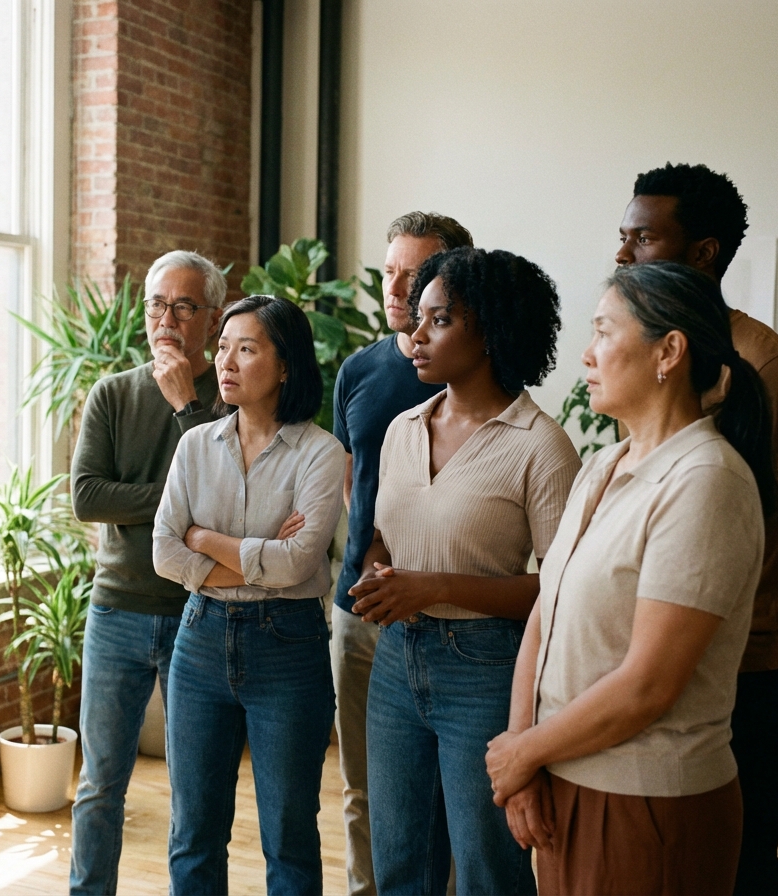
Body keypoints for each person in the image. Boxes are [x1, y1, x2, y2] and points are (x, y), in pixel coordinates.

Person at [486, 262, 775, 895]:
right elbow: (546, 611)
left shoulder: (706, 480)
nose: (586, 355)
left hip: (647, 801)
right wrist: (523, 750)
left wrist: (526, 752)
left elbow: (648, 684)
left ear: (669, 351)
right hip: (566, 783)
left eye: (602, 333)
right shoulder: (602, 465)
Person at [614, 163, 778, 895]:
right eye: (622, 237)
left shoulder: (771, 371)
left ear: (704, 252)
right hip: (646, 659)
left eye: (643, 238)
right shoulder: (639, 355)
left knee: (738, 865)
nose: (622, 256)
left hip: (747, 671)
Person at [352, 247, 580, 895]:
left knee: (487, 872)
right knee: (398, 865)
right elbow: (380, 536)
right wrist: (377, 569)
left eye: (440, 320)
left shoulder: (540, 445)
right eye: (417, 319)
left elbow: (560, 595)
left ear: (490, 331)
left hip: (485, 671)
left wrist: (438, 587)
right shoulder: (402, 428)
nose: (415, 337)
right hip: (396, 660)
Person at [153, 295, 345, 895]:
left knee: (288, 837)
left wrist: (206, 538)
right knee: (193, 835)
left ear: (285, 364)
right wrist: (259, 553)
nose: (225, 361)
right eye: (223, 346)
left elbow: (298, 566)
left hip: (289, 648)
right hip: (200, 640)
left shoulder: (321, 453)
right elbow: (164, 552)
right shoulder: (194, 446)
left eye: (247, 347)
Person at [69, 251, 226, 895]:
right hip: (116, 611)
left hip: (200, 612)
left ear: (214, 321)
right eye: (156, 305)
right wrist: (173, 503)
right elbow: (86, 496)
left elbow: (226, 501)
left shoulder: (231, 398)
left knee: (195, 792)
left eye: (184, 307)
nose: (166, 320)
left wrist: (186, 406)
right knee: (100, 784)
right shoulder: (112, 394)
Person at [330, 212, 472, 896]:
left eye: (413, 274)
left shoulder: (470, 376)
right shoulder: (358, 369)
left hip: (450, 623)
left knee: (444, 801)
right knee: (364, 790)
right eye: (388, 271)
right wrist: (362, 559)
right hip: (358, 614)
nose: (395, 287)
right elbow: (353, 478)